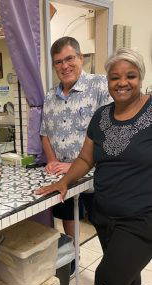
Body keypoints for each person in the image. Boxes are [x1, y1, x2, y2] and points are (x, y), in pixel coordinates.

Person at [36, 48, 152, 285]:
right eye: (114, 77)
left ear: (140, 77)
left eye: (130, 76)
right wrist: (63, 182)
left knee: (107, 278)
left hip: (141, 219)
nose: (122, 83)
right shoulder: (101, 117)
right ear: (107, 80)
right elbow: (85, 160)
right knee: (128, 279)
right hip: (104, 216)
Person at [40, 37, 110, 240]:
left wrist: (75, 166)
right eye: (58, 62)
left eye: (69, 58)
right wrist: (52, 160)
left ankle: (112, 267)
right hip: (62, 176)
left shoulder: (100, 86)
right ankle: (73, 253)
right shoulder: (50, 95)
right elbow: (45, 132)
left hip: (95, 176)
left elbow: (108, 134)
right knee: (67, 215)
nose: (65, 66)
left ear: (81, 57)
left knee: (104, 226)